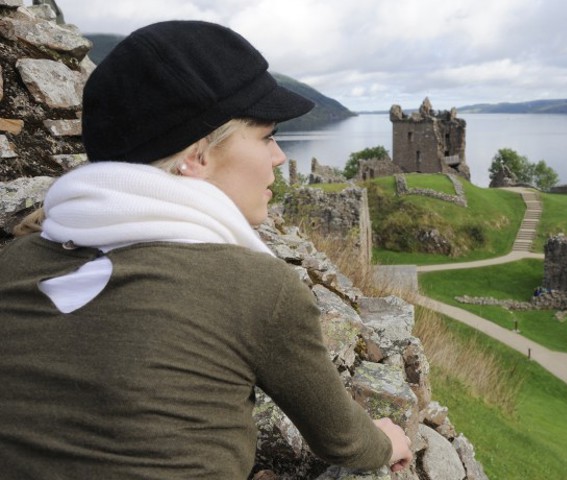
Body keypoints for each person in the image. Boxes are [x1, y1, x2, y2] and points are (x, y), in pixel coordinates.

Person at [0, 20, 412, 478]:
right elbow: (344, 441)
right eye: (267, 136)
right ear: (197, 156)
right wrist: (386, 441)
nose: (279, 157)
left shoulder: (15, 263)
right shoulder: (256, 285)